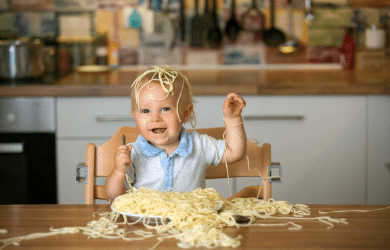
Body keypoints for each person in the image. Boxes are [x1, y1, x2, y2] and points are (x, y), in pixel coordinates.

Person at [105, 66, 247, 200]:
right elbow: (114, 195)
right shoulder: (132, 153)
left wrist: (232, 119)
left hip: (190, 221)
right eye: (145, 111)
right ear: (135, 116)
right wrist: (118, 172)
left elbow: (235, 152)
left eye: (165, 109)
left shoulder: (199, 145)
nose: (155, 118)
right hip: (146, 223)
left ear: (186, 114)